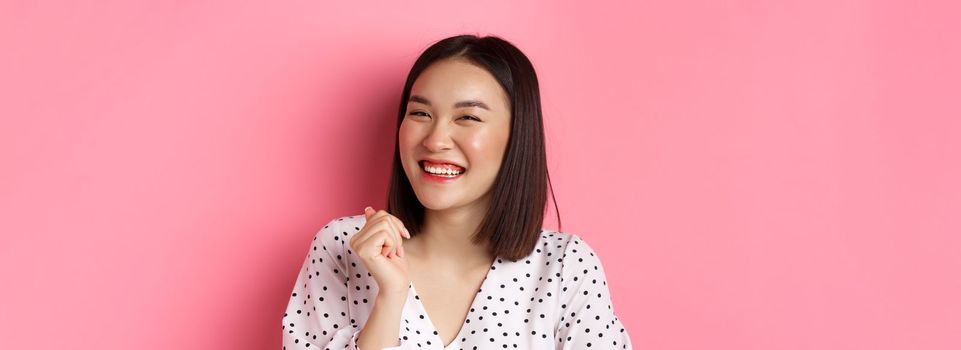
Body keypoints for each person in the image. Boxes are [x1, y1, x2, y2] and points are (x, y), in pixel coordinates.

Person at [282, 34, 632, 350]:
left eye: (467, 118)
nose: (434, 141)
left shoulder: (564, 266)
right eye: (420, 113)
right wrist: (389, 300)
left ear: (517, 137)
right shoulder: (342, 247)